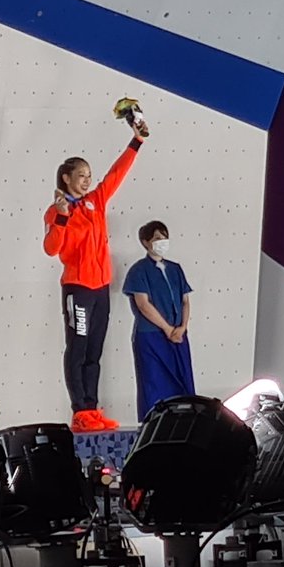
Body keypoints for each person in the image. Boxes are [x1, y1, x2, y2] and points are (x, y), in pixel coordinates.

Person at [43, 122, 147, 434]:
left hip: (101, 288)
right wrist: (61, 217)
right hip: (78, 288)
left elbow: (117, 174)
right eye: (81, 176)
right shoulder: (58, 210)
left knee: (94, 351)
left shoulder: (95, 202)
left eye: (89, 176)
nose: (87, 181)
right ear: (66, 178)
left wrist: (136, 141)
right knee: (78, 347)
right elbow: (51, 249)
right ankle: (79, 411)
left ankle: (92, 407)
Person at [122, 220, 195, 421]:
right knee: (153, 383)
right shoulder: (139, 270)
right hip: (151, 336)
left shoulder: (175, 269)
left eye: (164, 237)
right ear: (146, 242)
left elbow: (185, 300)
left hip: (178, 336)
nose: (162, 242)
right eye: (157, 238)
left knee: (182, 383)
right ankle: (153, 426)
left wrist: (181, 328)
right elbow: (143, 304)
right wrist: (167, 328)